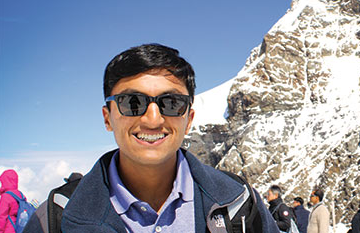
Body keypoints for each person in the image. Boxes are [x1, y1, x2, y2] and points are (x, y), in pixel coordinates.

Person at [23, 43, 278, 233]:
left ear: (188, 119)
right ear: (107, 118)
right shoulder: (56, 218)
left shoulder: (241, 204)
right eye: (132, 103)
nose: (153, 119)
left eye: (171, 103)